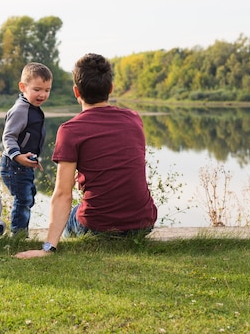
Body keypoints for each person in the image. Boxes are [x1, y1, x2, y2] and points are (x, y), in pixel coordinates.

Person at [15, 53, 157, 258]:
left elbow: (63, 193)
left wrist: (47, 248)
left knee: (74, 214)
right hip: (143, 223)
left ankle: (69, 245)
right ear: (111, 88)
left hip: (98, 227)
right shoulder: (134, 119)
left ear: (76, 92)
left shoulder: (71, 129)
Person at [0, 62, 52, 236]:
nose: (43, 94)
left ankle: (20, 232)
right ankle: (18, 235)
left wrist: (34, 160)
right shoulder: (20, 110)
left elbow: (30, 139)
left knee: (29, 196)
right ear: (23, 87)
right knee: (23, 199)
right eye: (37, 89)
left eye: (47, 90)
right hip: (13, 165)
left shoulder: (33, 108)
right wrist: (17, 156)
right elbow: (8, 137)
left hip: (24, 164)